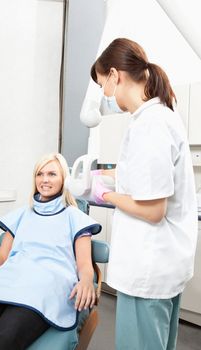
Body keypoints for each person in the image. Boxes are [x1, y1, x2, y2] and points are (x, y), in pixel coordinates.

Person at [89, 38, 198, 350]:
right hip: (161, 267)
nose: (105, 95)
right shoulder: (157, 117)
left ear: (115, 75)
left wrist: (104, 196)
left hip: (148, 270)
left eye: (102, 85)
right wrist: (104, 176)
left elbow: (153, 210)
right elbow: (142, 175)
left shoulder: (151, 124)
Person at [0, 153, 101, 350]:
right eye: (40, 174)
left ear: (64, 179)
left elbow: (84, 265)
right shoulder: (21, 214)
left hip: (44, 288)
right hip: (8, 280)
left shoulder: (75, 217)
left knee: (1, 343)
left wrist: (87, 280)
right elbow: (2, 257)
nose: (45, 179)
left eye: (52, 174)